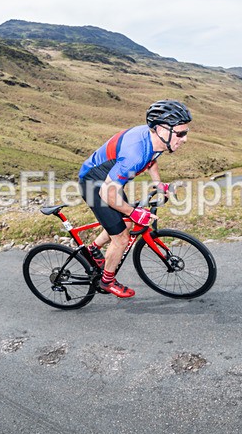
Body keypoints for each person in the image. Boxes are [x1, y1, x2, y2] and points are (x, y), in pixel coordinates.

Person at [78, 99, 192, 298]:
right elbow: (106, 193)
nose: (184, 139)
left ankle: (93, 249)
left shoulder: (156, 140)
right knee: (122, 237)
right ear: (162, 129)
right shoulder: (135, 154)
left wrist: (158, 184)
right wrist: (134, 212)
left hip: (108, 179)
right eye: (181, 133)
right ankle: (107, 281)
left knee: (127, 222)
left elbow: (152, 160)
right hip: (94, 183)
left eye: (186, 133)